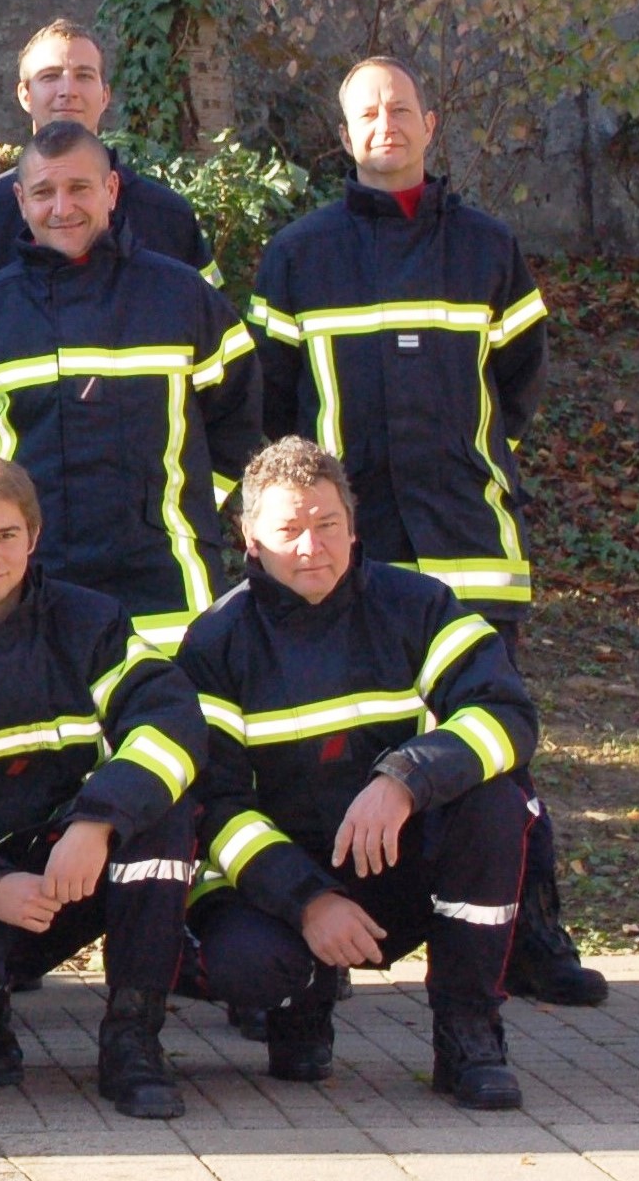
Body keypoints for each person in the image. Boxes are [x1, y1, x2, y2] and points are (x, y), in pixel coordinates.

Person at [248, 57, 598, 1007]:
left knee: (496, 750)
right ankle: (324, 935)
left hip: (471, 547)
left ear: (430, 123)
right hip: (343, 562)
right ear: (345, 129)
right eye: (368, 112)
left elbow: (516, 386)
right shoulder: (298, 256)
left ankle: (531, 936)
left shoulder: (488, 247)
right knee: (344, 751)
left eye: (400, 109)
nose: (385, 124)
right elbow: (271, 408)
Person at [184, 439, 539, 1110]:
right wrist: (306, 900)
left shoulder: (418, 604)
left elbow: (505, 713)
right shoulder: (215, 642)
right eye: (289, 529)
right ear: (251, 538)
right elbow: (216, 803)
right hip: (279, 883)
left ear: (352, 524)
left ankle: (469, 1034)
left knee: (495, 801)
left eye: (327, 525)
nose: (311, 547)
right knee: (247, 966)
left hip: (390, 859)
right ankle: (300, 1006)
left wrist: (405, 779)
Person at [0, 452, 207, 1118]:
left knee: (163, 811)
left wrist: (96, 823)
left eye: (6, 535)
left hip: (70, 863)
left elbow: (170, 722)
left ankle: (133, 1038)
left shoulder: (91, 623)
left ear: (34, 536)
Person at [0, 120, 261, 649]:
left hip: (167, 580)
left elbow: (237, 417)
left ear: (112, 190)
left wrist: (182, 503)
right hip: (30, 579)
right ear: (19, 199)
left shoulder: (183, 297)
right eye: (44, 192)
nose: (62, 207)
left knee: (175, 726)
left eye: (79, 188)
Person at [0, 20, 222, 338]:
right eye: (50, 77)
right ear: (24, 95)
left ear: (105, 96)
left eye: (84, 75)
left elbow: (212, 335)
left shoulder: (168, 217)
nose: (68, 90)